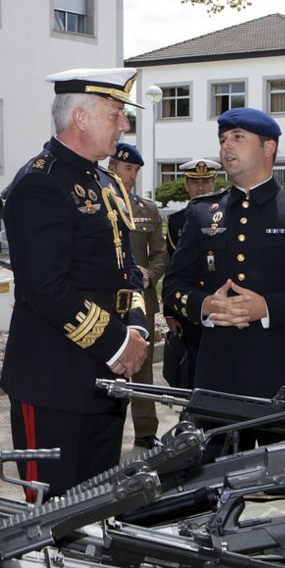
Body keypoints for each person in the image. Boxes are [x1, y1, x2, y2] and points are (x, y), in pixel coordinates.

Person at [0, 68, 148, 498]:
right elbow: (45, 288)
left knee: (98, 506)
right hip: (55, 381)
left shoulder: (106, 182)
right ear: (80, 117)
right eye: (116, 113)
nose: (124, 124)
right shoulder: (40, 182)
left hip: (108, 378)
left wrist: (137, 328)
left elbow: (129, 270)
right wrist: (118, 344)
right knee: (54, 511)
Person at [162, 108, 285, 401]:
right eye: (222, 139)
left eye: (238, 137)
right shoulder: (202, 212)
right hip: (217, 371)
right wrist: (206, 305)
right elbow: (173, 286)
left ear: (268, 147)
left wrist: (268, 308)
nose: (226, 145)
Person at [108, 142, 168, 448]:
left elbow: (160, 253)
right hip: (106, 302)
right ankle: (107, 433)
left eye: (136, 170)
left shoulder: (148, 209)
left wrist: (149, 275)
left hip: (141, 301)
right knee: (108, 366)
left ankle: (146, 433)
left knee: (143, 370)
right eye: (127, 168)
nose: (132, 176)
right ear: (112, 169)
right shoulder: (97, 206)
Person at [163, 158, 221, 387]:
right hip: (190, 307)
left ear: (214, 183)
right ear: (186, 185)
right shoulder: (177, 221)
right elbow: (173, 269)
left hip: (220, 303)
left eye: (206, 182)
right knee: (191, 370)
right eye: (195, 182)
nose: (201, 187)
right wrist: (170, 312)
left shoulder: (227, 215)